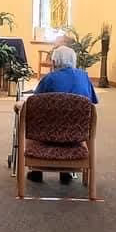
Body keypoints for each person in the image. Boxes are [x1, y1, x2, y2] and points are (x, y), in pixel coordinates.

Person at [26, 45, 97, 184]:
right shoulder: (85, 77)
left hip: (48, 133)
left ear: (53, 62)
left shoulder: (49, 79)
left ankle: (36, 170)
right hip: (77, 133)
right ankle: (66, 171)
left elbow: (34, 105)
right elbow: (92, 103)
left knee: (31, 120)